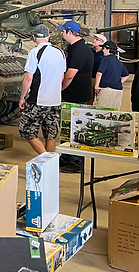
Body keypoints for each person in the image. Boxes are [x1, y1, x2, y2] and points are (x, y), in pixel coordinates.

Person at [18, 24, 66, 154]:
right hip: (55, 101)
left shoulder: (35, 52)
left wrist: (22, 97)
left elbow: (28, 78)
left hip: (38, 100)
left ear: (34, 37)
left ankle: (45, 158)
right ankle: (50, 162)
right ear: (48, 36)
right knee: (51, 133)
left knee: (26, 130)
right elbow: (62, 77)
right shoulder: (60, 52)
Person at [58, 20, 94, 173]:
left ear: (69, 32)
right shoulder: (75, 47)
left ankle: (75, 162)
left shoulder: (80, 50)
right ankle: (66, 158)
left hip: (75, 96)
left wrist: (59, 89)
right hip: (72, 95)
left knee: (76, 129)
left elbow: (70, 75)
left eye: (63, 31)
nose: (61, 33)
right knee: (67, 128)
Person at [94, 40, 130, 110]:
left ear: (108, 49)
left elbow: (99, 73)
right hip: (118, 90)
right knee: (114, 112)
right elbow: (126, 76)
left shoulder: (106, 59)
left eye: (104, 48)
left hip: (107, 90)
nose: (102, 50)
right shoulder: (119, 62)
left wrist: (96, 86)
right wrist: (118, 83)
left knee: (102, 112)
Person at [90, 33, 107, 103]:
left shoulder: (105, 53)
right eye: (94, 39)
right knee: (89, 99)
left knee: (100, 100)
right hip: (90, 77)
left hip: (101, 79)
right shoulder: (90, 51)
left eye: (97, 39)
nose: (94, 40)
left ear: (102, 43)